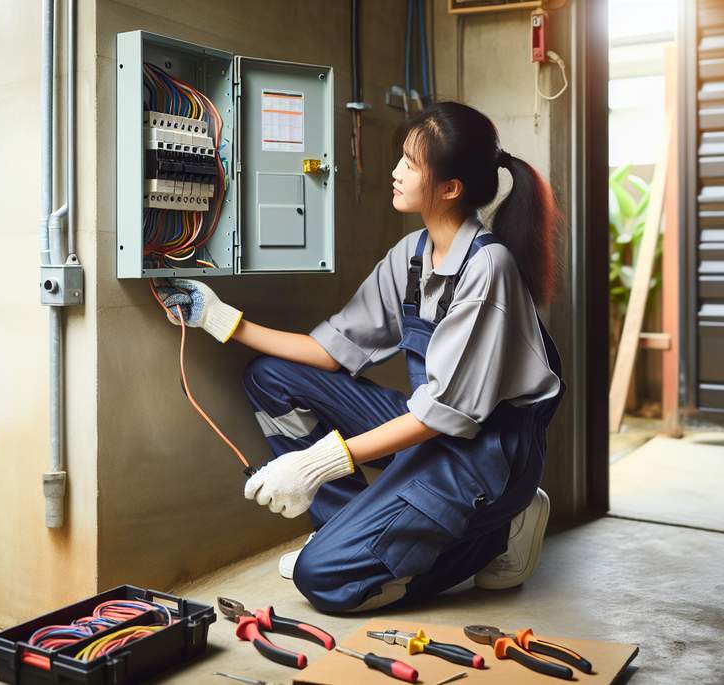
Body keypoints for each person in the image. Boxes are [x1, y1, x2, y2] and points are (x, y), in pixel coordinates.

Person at [154, 101, 564, 613]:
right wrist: (219, 319)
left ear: (450, 188)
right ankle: (346, 529)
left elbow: (443, 416)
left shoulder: (488, 268)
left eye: (410, 164)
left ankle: (500, 529)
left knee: (324, 580)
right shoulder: (412, 256)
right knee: (272, 377)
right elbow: (328, 352)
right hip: (432, 432)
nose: (394, 172)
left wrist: (315, 465)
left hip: (485, 457)